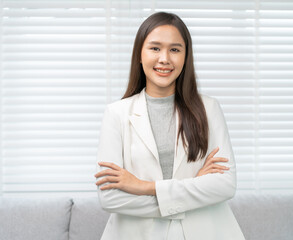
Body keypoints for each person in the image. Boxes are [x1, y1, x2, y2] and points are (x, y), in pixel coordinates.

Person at [94, 12, 246, 240]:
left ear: (186, 57)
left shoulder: (209, 109)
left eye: (175, 49)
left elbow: (224, 185)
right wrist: (194, 188)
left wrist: (143, 186)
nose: (164, 58)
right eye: (155, 48)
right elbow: (110, 198)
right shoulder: (116, 114)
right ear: (139, 54)